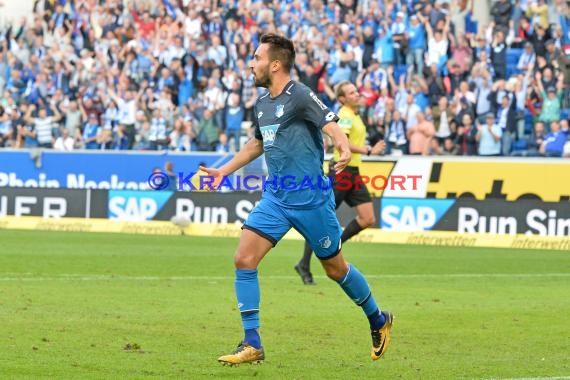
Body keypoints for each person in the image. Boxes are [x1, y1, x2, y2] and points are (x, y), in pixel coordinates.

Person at [200, 34, 393, 366]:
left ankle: (378, 319)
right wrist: (224, 171)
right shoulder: (262, 104)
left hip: (311, 201)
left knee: (335, 269)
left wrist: (344, 147)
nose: (251, 64)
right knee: (244, 259)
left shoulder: (300, 95)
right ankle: (252, 342)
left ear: (275, 64)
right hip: (275, 198)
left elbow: (330, 124)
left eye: (257, 58)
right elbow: (257, 144)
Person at [294, 80, 385, 285]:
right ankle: (304, 264)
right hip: (341, 171)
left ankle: (332, 249)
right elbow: (341, 141)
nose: (357, 94)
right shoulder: (343, 115)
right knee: (320, 218)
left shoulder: (355, 115)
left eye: (356, 91)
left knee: (368, 217)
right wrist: (369, 150)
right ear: (342, 99)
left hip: (353, 172)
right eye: (351, 93)